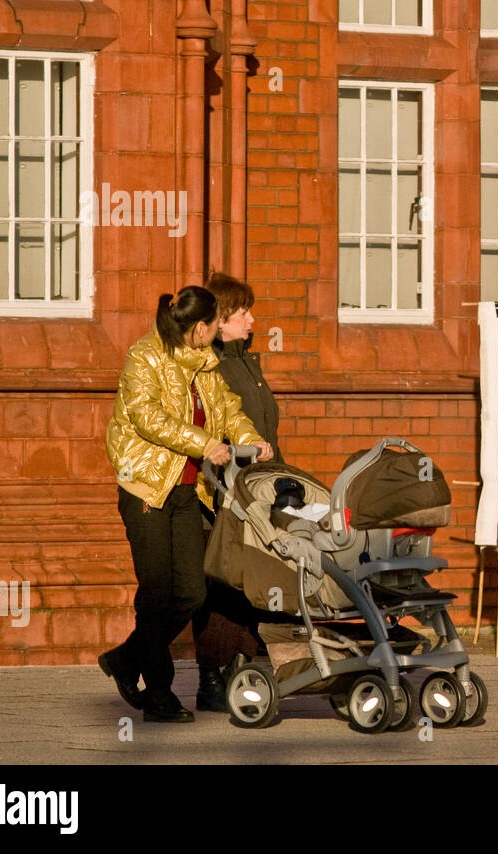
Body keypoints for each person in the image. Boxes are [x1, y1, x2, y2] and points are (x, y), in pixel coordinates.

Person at [100, 286, 271, 723]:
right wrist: (205, 443)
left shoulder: (206, 364)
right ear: (200, 328)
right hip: (147, 489)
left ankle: (126, 658)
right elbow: (147, 417)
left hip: (188, 493)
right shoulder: (146, 356)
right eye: (215, 325)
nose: (217, 333)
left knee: (193, 592)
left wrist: (249, 437)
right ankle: (159, 694)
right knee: (157, 594)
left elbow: (228, 409)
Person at [189, 272, 282, 712]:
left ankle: (238, 668)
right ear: (220, 320)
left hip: (257, 493)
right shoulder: (213, 365)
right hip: (222, 494)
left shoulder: (247, 363)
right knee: (223, 584)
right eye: (242, 312)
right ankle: (212, 676)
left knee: (254, 581)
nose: (251, 319)